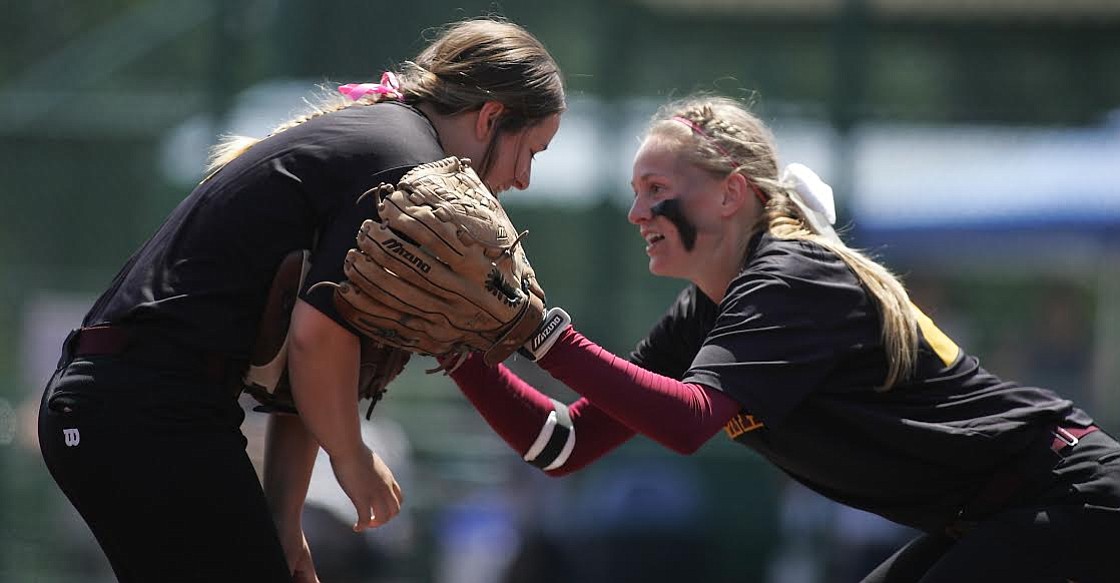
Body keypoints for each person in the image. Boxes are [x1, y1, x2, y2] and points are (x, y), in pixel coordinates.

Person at [438, 95, 1120, 582]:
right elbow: (564, 445)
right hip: (1000, 510)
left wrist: (537, 332)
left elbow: (686, 420)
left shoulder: (790, 276)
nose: (635, 210)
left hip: (1068, 494)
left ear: (731, 194)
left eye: (655, 187)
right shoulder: (705, 310)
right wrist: (458, 349)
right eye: (635, 189)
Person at [37, 18, 564, 583]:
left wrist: (284, 525)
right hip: (148, 413)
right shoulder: (405, 164)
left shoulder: (384, 140)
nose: (525, 179)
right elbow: (318, 338)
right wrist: (351, 457)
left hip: (136, 408)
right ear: (490, 118)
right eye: (529, 150)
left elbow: (301, 373)